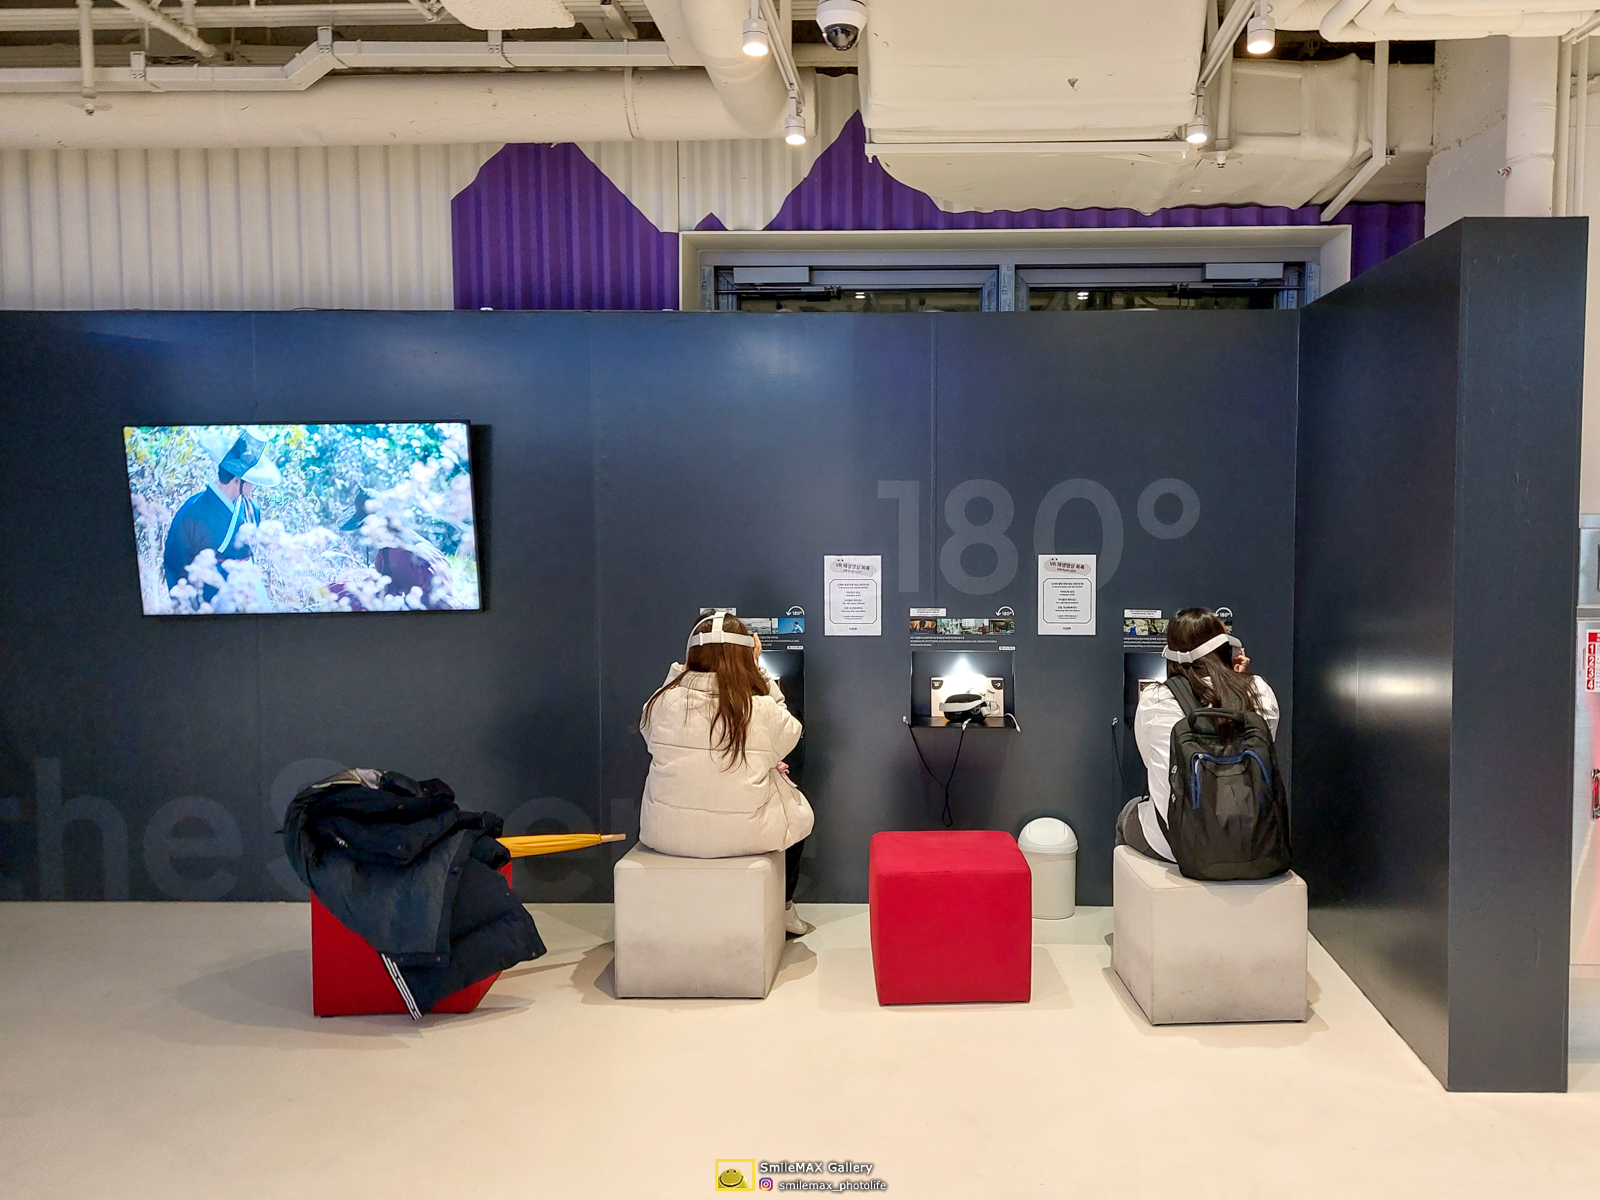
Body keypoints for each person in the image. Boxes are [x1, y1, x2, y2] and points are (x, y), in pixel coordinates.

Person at [638, 611, 814, 936]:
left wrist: (685, 669)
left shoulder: (662, 703)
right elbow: (789, 735)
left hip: (666, 834)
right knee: (799, 816)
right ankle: (785, 907)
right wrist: (759, 670)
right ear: (746, 654)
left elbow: (650, 733)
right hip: (745, 837)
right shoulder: (759, 707)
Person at [1117, 607, 1279, 863]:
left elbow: (1152, 761)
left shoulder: (1155, 698)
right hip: (1251, 841)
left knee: (1128, 814)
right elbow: (1262, 745)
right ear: (1228, 649)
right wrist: (1238, 683)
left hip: (1178, 845)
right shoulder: (1259, 690)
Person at [161, 426, 280, 602]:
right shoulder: (192, 511)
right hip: (210, 598)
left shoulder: (251, 508)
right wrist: (187, 602)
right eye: (251, 481)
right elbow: (175, 562)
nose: (254, 486)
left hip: (249, 591)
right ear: (237, 480)